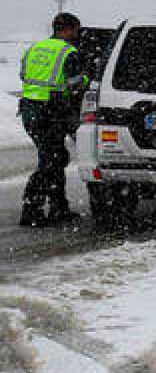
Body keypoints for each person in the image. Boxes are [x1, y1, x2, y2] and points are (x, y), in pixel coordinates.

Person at [17, 12, 89, 226]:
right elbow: (76, 84)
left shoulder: (34, 49)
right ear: (67, 30)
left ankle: (59, 208)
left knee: (53, 157)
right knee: (53, 161)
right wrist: (88, 77)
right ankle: (31, 210)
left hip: (31, 111)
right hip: (51, 112)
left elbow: (25, 76)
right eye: (76, 30)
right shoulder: (69, 52)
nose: (77, 35)